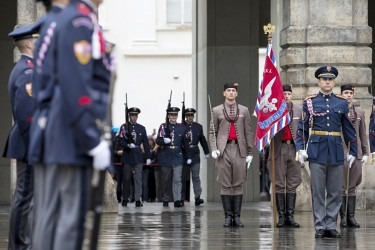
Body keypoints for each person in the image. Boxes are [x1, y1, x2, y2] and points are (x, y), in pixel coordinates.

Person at [30, 0, 113, 248]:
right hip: (70, 133)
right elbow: (76, 87)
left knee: (52, 220)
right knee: (68, 224)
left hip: (60, 129)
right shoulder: (78, 22)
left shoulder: (67, 19)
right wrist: (91, 139)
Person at [295, 66, 357, 238]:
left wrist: (353, 150)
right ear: (319, 81)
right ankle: (320, 226)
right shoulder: (310, 102)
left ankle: (331, 224)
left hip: (336, 150)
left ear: (334, 81)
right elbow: (302, 128)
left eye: (330, 79)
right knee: (318, 191)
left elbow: (349, 129)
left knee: (335, 191)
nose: (327, 82)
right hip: (316, 151)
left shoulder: (341, 103)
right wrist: (300, 149)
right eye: (324, 79)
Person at [3, 20, 42, 250]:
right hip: (30, 144)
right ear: (28, 44)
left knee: (26, 197)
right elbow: (27, 115)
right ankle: (19, 246)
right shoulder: (27, 71)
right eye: (36, 41)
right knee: (25, 198)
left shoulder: (27, 68)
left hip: (29, 143)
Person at [209, 82, 254, 227]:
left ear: (236, 93)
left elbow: (248, 131)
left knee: (238, 182)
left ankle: (237, 217)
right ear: (224, 93)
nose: (230, 93)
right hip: (223, 149)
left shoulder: (244, 110)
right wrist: (214, 147)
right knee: (225, 183)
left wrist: (250, 152)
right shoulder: (216, 110)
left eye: (233, 90)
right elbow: (212, 131)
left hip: (239, 149)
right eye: (228, 90)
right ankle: (228, 217)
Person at [268, 85, 302, 228]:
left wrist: (303, 149)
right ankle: (281, 216)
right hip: (279, 147)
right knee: (279, 182)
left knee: (293, 182)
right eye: (284, 93)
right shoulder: (274, 110)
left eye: (289, 93)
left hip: (294, 147)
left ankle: (290, 216)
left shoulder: (299, 110)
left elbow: (304, 129)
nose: (287, 96)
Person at [339, 84, 369, 228]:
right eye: (346, 92)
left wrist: (365, 152)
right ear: (341, 94)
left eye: (350, 93)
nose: (348, 95)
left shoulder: (359, 112)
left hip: (356, 152)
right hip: (341, 152)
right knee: (341, 186)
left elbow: (363, 133)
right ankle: (343, 217)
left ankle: (351, 216)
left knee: (352, 186)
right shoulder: (337, 110)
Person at [118, 107, 151, 207]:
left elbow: (146, 143)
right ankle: (125, 198)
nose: (134, 117)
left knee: (138, 179)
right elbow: (120, 140)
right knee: (127, 178)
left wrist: (148, 157)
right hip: (127, 155)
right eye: (132, 115)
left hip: (137, 155)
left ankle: (137, 199)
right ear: (129, 116)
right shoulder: (124, 127)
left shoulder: (141, 128)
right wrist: (127, 145)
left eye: (136, 116)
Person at [156, 107, 188, 208]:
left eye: (175, 115)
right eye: (172, 115)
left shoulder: (182, 127)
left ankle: (177, 200)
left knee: (177, 179)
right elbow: (158, 140)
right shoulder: (163, 126)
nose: (174, 117)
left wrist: (189, 156)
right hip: (166, 155)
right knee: (165, 179)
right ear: (168, 116)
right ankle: (165, 198)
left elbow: (185, 143)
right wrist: (163, 141)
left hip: (178, 156)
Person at [181, 108, 210, 206]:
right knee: (183, 177)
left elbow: (202, 140)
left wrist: (206, 152)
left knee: (196, 177)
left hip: (195, 154)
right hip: (184, 154)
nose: (190, 117)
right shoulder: (181, 126)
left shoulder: (198, 127)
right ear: (185, 116)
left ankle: (197, 197)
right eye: (188, 115)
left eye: (191, 115)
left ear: (193, 116)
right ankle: (181, 198)